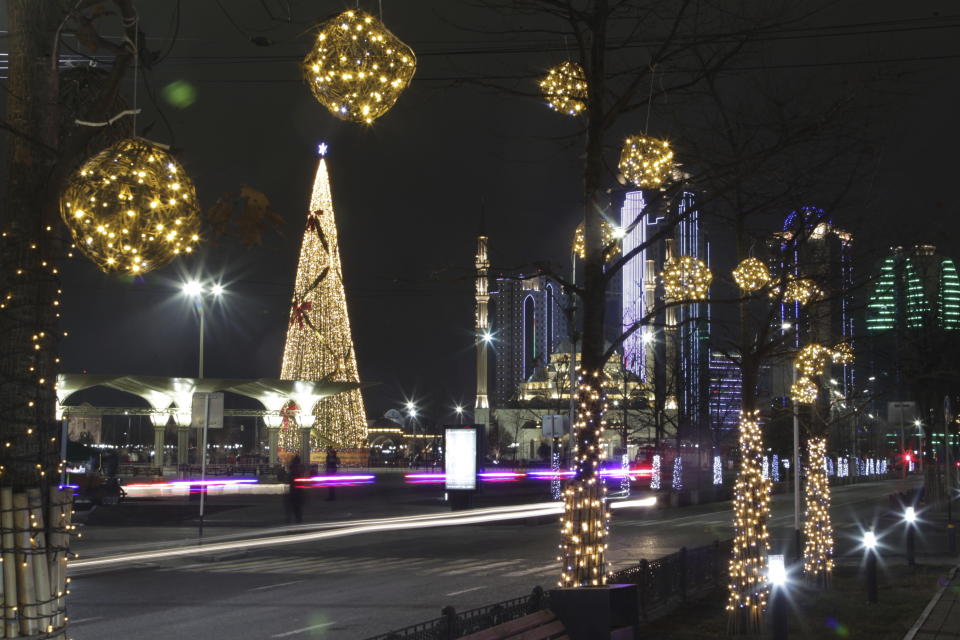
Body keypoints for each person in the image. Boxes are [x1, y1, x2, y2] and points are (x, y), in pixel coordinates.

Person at [287, 455, 305, 523]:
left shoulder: (293, 469)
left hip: (293, 491)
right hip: (297, 492)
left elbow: (290, 480)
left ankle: (291, 520)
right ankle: (298, 520)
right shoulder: (297, 470)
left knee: (293, 507)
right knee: (297, 508)